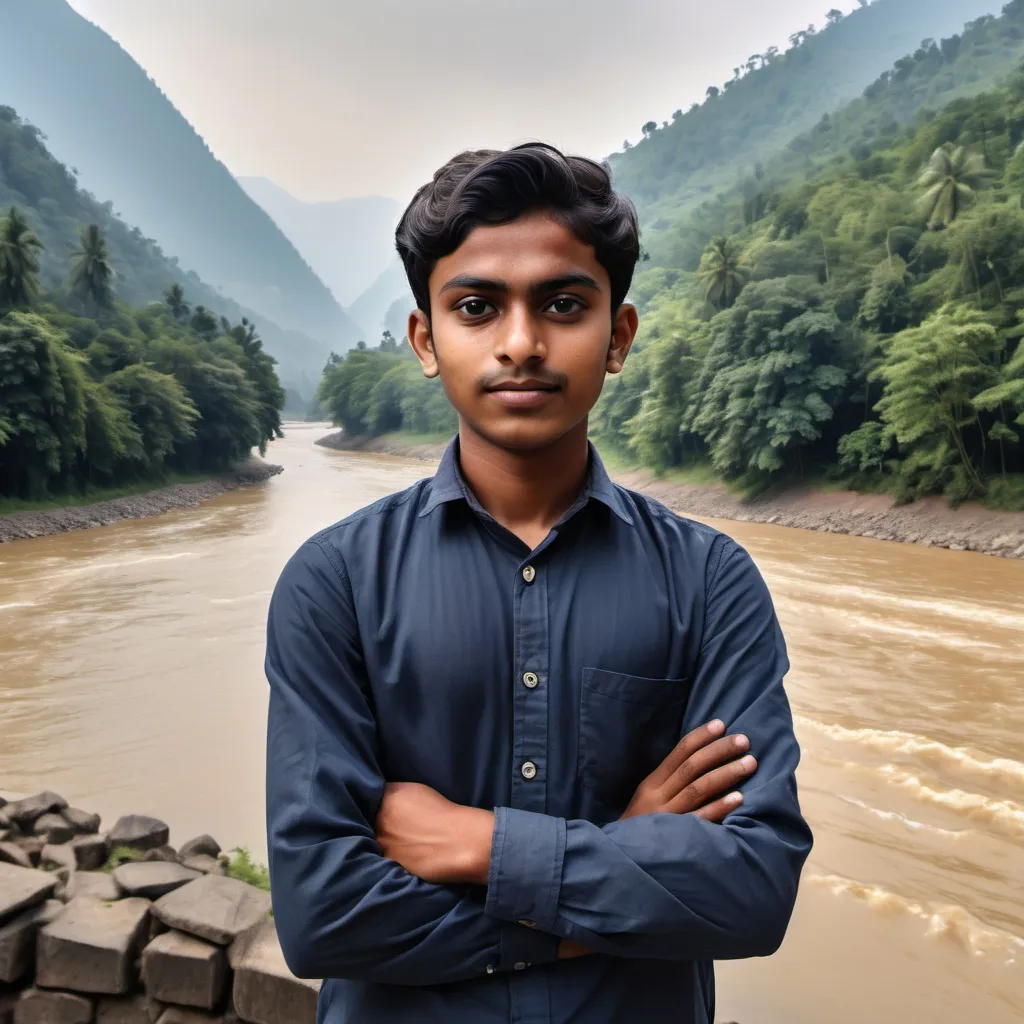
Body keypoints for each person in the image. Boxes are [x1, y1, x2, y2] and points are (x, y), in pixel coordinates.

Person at [264, 142, 813, 1024]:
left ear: (619, 336)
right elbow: (324, 914)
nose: (521, 343)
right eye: (476, 307)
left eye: (563, 304)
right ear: (426, 340)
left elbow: (751, 890)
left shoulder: (712, 583)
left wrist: (481, 844)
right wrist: (622, 857)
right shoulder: (335, 584)